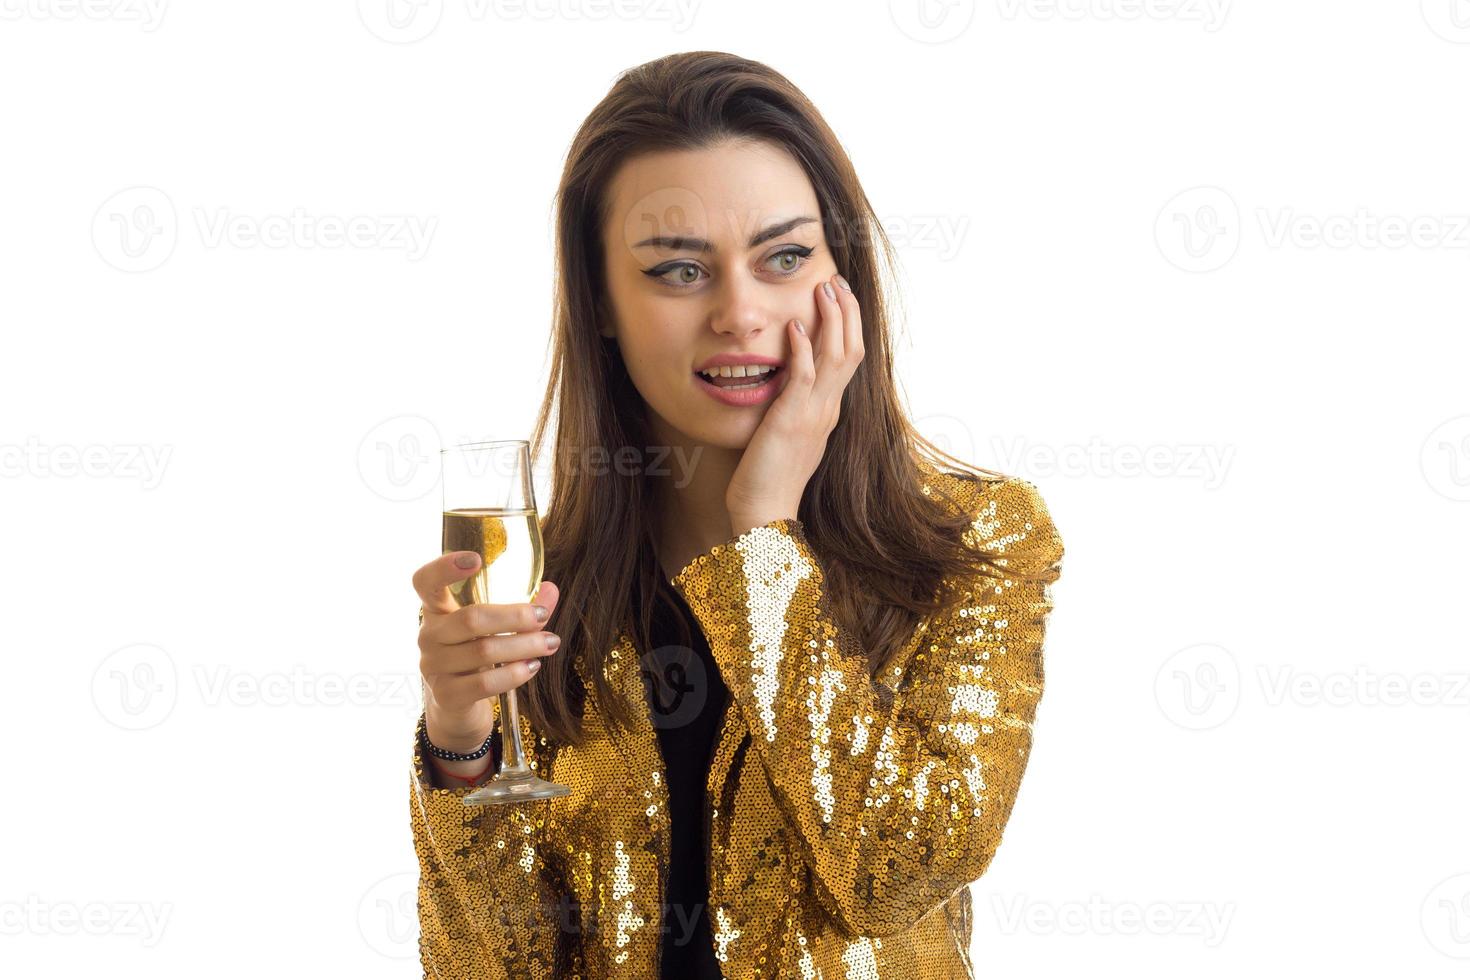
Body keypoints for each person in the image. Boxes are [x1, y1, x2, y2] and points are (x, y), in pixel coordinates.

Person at [408, 50, 1065, 979]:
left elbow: (892, 872)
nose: (741, 312)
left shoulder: (977, 544)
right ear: (601, 301)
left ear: (845, 280)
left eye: (784, 258)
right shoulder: (546, 587)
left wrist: (763, 534)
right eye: (680, 271)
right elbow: (489, 970)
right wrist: (462, 739)